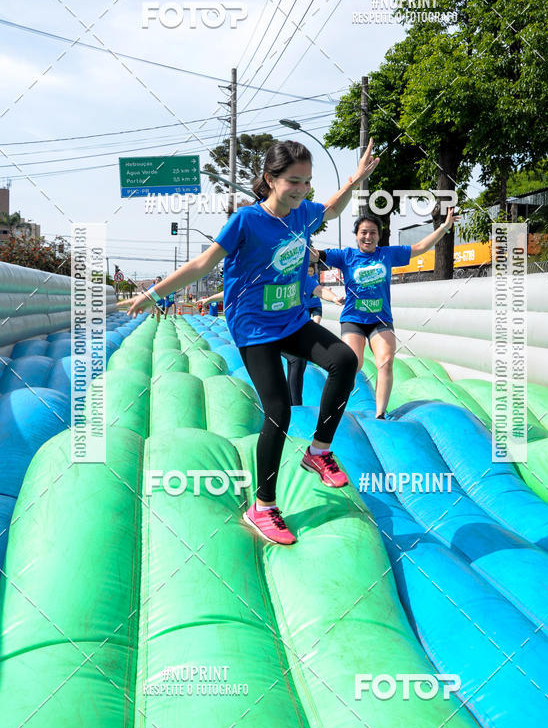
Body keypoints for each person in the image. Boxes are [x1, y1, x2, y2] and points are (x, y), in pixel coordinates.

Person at [125, 138, 378, 545]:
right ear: (270, 179)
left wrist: (355, 179)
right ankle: (263, 506)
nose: (301, 190)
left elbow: (331, 208)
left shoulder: (304, 214)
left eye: (307, 182)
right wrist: (155, 293)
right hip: (254, 328)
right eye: (293, 181)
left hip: (292, 320)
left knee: (345, 360)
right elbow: (202, 263)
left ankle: (318, 451)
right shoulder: (246, 221)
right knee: (278, 409)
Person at [316, 209, 457, 419]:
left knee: (386, 361)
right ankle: (334, 409)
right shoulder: (346, 256)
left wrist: (444, 227)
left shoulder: (387, 254)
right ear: (356, 235)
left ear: (378, 236)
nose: (368, 236)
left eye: (373, 232)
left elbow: (420, 247)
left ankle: (380, 414)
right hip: (353, 318)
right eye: (363, 232)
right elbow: (316, 255)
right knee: (351, 363)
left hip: (380, 319)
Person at [285, 265, 344, 406]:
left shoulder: (301, 276)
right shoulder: (269, 272)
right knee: (296, 360)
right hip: (268, 331)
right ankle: (294, 406)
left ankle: (295, 406)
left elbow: (318, 289)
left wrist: (334, 297)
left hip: (296, 325)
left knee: (300, 359)